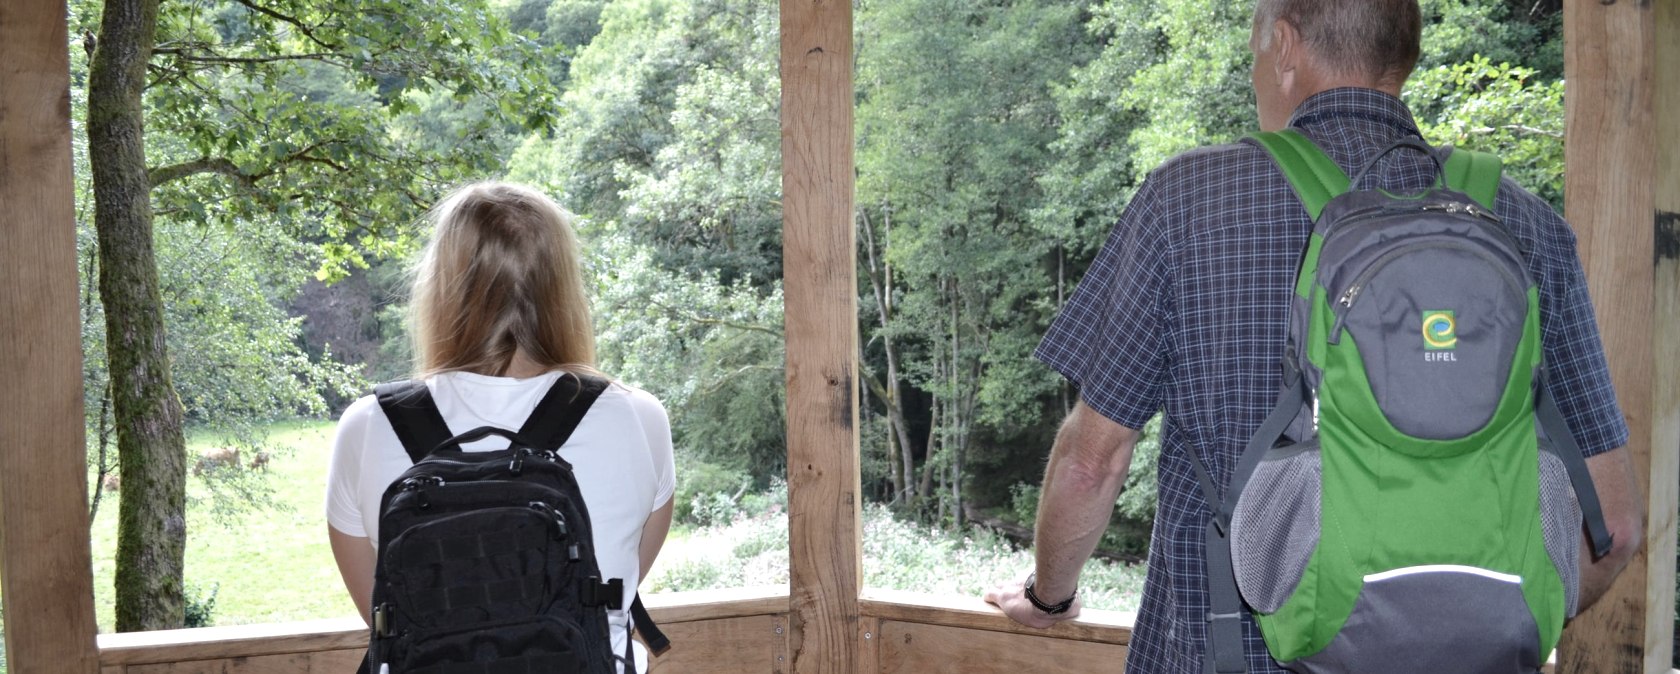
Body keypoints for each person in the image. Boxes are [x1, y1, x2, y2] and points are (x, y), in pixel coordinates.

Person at [983, 1, 1645, 671]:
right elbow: (1613, 529)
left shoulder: (1185, 203)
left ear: (1286, 45)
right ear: (1405, 55)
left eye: (1254, 55)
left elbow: (1092, 463)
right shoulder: (1525, 226)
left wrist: (1048, 597)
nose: (1255, 74)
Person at [325, 182, 676, 673]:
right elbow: (613, 589)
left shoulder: (366, 426)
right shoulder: (638, 418)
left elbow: (387, 615)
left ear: (440, 285)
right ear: (563, 286)